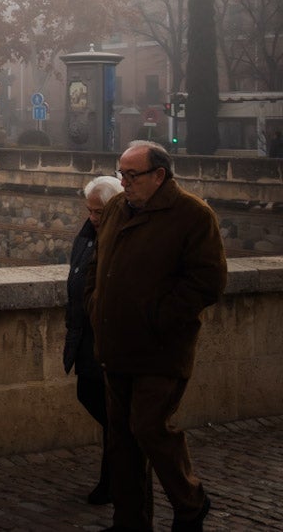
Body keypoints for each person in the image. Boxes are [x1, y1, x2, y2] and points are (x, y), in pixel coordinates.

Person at [85, 140, 227, 532]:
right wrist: (95, 303)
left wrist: (157, 316)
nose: (124, 182)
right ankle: (130, 522)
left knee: (149, 428)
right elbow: (98, 261)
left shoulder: (192, 215)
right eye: (121, 174)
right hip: (115, 345)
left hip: (161, 349)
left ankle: (190, 501)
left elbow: (207, 282)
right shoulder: (116, 208)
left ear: (159, 175)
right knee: (121, 441)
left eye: (132, 175)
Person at [64, 174, 122, 505]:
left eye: (98, 212)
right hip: (86, 335)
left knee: (116, 417)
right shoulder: (87, 237)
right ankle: (115, 475)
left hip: (111, 340)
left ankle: (113, 481)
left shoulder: (122, 238)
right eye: (89, 210)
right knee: (91, 396)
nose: (92, 218)